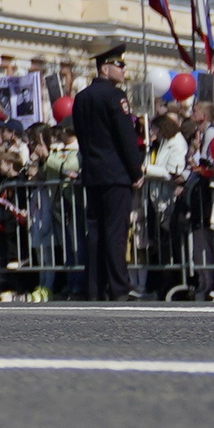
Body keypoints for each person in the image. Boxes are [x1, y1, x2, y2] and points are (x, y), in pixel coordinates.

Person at [73, 41, 143, 301]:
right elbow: (126, 137)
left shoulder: (81, 98)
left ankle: (95, 287)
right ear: (105, 68)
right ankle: (118, 287)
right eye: (119, 64)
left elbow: (81, 136)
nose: (123, 70)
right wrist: (135, 171)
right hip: (116, 174)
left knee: (97, 233)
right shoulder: (115, 96)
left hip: (93, 172)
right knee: (115, 233)